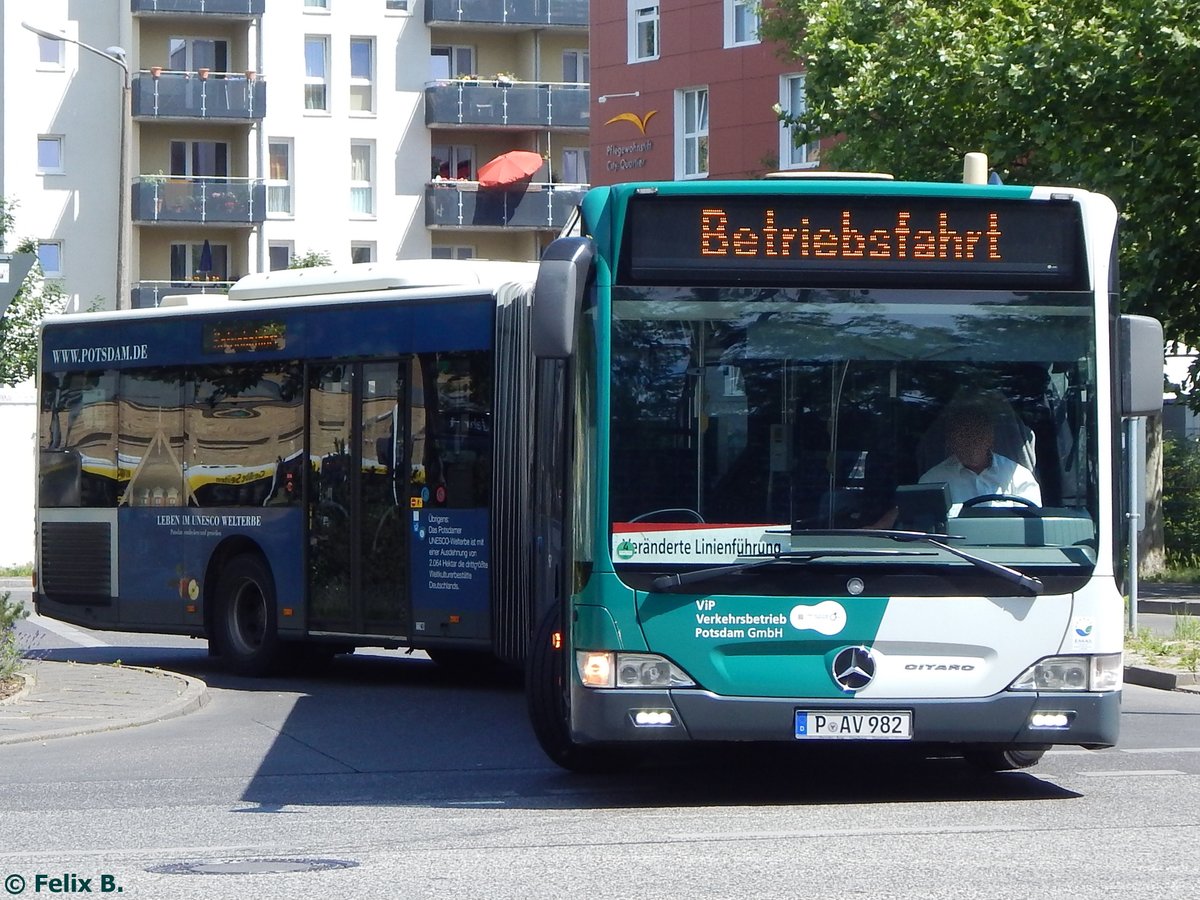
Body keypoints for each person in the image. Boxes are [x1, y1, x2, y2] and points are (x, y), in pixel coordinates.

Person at [919, 405, 1041, 509]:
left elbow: (1031, 527)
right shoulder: (931, 481)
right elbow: (927, 529)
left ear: (990, 439)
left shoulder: (1019, 477)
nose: (970, 443)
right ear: (951, 442)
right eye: (962, 437)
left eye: (976, 436)